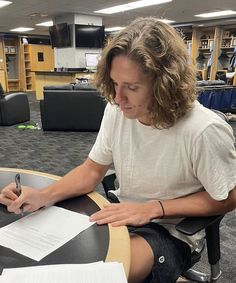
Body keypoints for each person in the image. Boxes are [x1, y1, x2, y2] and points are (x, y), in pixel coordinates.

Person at [1, 17, 236, 283]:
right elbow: (92, 170)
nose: (118, 97)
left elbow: (227, 198)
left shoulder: (203, 129)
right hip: (122, 214)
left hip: (171, 231)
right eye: (114, 83)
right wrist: (43, 195)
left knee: (98, 275)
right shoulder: (117, 111)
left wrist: (154, 208)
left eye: (132, 87)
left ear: (164, 84)